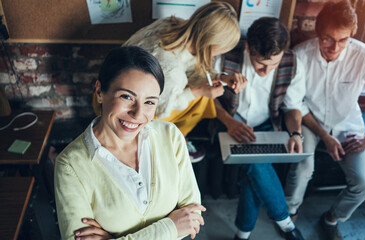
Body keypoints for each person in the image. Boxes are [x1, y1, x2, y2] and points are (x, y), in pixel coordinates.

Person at [55, 46, 205, 240]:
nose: (137, 113)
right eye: (126, 97)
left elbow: (192, 218)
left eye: (150, 102)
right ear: (100, 91)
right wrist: (170, 228)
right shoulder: (70, 165)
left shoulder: (170, 136)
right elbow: (179, 225)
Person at [284, 1, 365, 239]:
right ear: (318, 32)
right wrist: (325, 137)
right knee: (302, 167)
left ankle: (331, 218)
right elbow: (294, 103)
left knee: (364, 184)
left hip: (347, 124)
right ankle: (289, 215)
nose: (334, 47)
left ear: (351, 36)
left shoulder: (364, 56)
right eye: (328, 38)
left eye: (343, 40)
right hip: (310, 121)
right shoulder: (300, 55)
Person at [93, 2, 245, 163]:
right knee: (203, 100)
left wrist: (221, 77)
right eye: (221, 49)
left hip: (107, 93)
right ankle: (171, 142)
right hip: (117, 112)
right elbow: (162, 108)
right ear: (210, 43)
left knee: (200, 94)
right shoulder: (172, 71)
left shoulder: (170, 24)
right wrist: (199, 92)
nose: (221, 53)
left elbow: (191, 69)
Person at [214, 17, 305, 240]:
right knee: (256, 162)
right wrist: (229, 122)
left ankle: (242, 235)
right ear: (248, 48)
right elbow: (208, 98)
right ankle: (285, 223)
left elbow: (293, 107)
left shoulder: (293, 63)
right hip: (227, 121)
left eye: (273, 64)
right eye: (260, 64)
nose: (266, 70)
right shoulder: (225, 56)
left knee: (254, 166)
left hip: (267, 124)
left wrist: (295, 133)